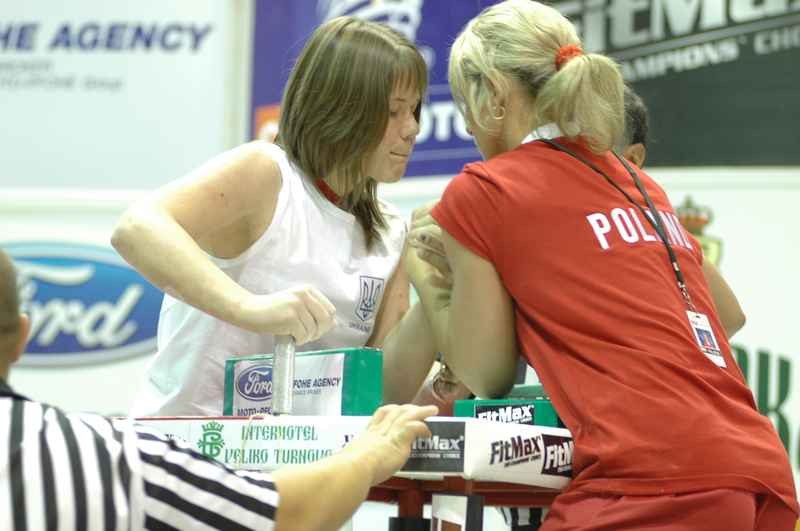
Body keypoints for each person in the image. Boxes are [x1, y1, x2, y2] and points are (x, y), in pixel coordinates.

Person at [407, 1, 799, 529]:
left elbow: (486, 374)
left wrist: (429, 277)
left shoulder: (484, 189)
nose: (468, 126)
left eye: (461, 103)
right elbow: (723, 317)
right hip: (753, 471)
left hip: (652, 479)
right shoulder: (633, 178)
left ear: (492, 95)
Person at [111, 17, 440, 416]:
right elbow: (135, 228)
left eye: (415, 109)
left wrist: (437, 308)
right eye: (394, 111)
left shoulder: (391, 231)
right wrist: (252, 309)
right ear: (342, 106)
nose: (413, 129)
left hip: (295, 467)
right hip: (188, 447)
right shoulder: (267, 172)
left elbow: (381, 390)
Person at [0, 248, 438, 531]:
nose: (411, 129)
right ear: (21, 338)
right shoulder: (109, 457)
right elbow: (284, 514)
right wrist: (367, 453)